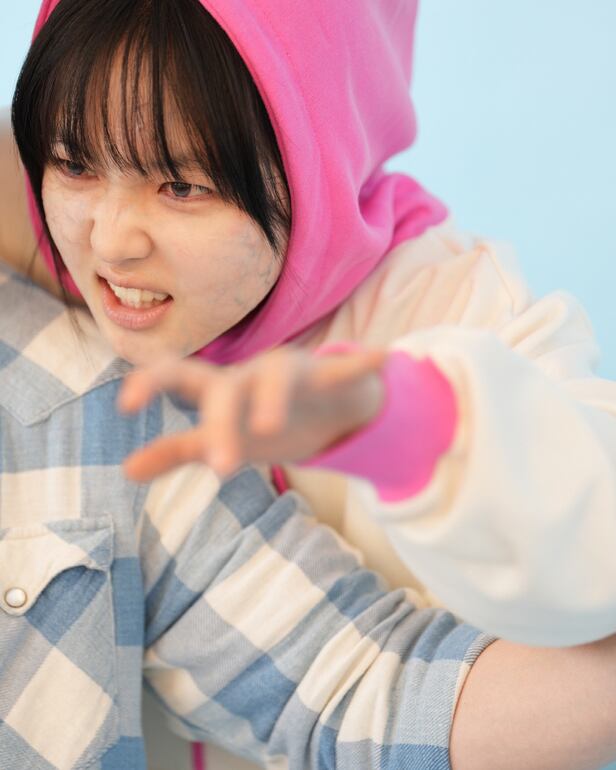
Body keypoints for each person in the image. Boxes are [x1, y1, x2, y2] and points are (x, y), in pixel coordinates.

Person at [2, 0, 616, 766]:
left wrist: (406, 427)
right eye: (75, 164)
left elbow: (600, 544)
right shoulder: (70, 285)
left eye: (182, 186)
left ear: (316, 160)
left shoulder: (455, 308)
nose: (112, 241)